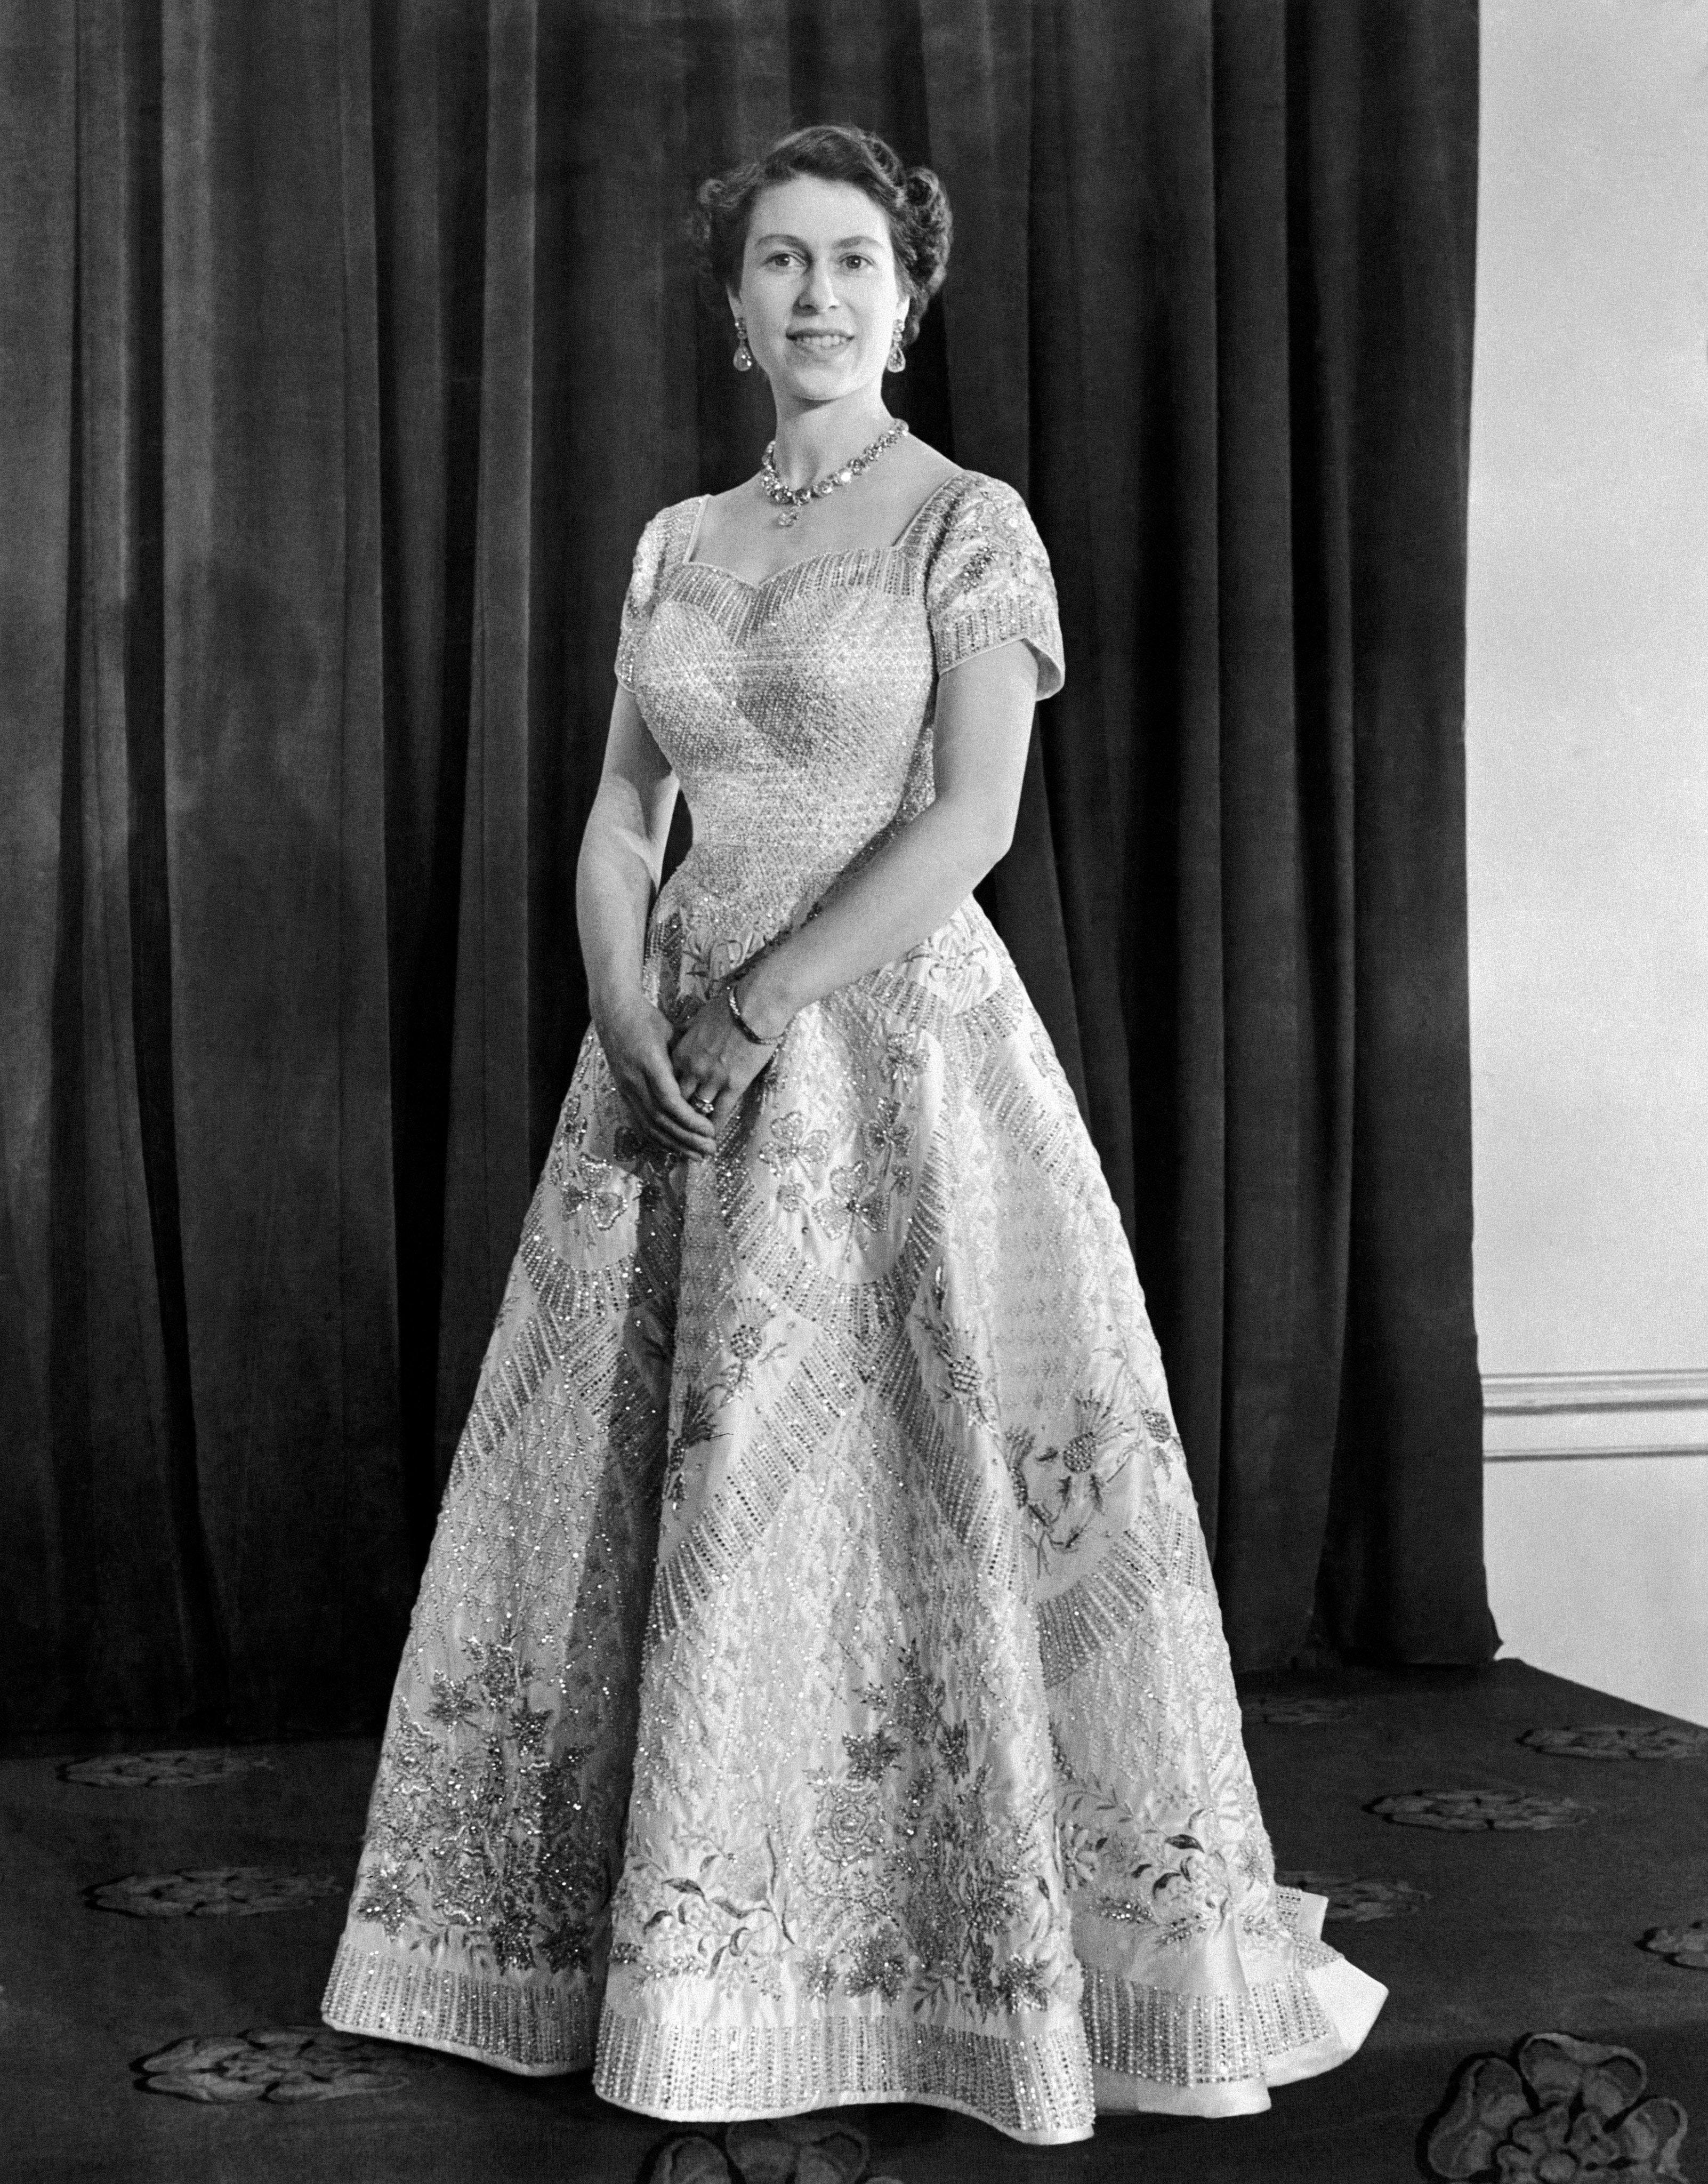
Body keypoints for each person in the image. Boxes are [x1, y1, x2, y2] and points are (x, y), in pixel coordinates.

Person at [323, 122, 1384, 2147]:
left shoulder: (965, 523)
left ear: (913, 296)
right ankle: (675, 1963)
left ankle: (945, 1961)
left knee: (902, 1506)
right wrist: (630, 1002)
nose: (815, 296)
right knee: (662, 1493)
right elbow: (624, 817)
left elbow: (969, 819)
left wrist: (758, 998)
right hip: (665, 1070)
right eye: (780, 265)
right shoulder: (675, 542)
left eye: (852, 264)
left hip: (878, 1039)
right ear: (732, 308)